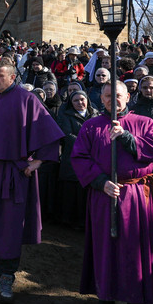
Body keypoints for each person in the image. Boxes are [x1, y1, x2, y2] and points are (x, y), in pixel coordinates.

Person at [71, 82, 153, 304]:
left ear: (128, 96)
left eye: (119, 96)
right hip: (104, 195)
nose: (113, 100)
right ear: (101, 99)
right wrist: (100, 182)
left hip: (135, 194)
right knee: (105, 247)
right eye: (108, 96)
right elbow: (79, 157)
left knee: (135, 249)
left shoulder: (144, 122)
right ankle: (105, 299)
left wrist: (126, 137)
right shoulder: (91, 126)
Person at [0, 58, 63, 304]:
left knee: (11, 224)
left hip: (15, 173)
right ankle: (1, 268)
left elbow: (50, 133)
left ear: (13, 77)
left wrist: (37, 162)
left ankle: (7, 275)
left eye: (0, 76)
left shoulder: (28, 100)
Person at [56, 90, 97, 230]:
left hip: (92, 159)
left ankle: (84, 221)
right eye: (76, 100)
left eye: (82, 99)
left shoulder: (95, 114)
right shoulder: (66, 115)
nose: (80, 103)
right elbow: (67, 135)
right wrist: (86, 144)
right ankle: (68, 220)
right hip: (72, 158)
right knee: (71, 191)